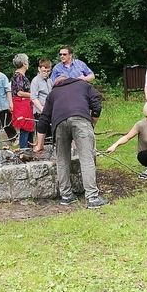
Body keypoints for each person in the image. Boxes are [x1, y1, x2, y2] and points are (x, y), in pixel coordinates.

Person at [33, 75, 107, 209]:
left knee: (62, 160)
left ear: (57, 84)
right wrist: (92, 123)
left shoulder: (53, 93)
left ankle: (66, 196)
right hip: (81, 120)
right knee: (86, 158)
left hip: (59, 124)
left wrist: (40, 145)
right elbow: (97, 104)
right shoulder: (84, 85)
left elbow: (43, 120)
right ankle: (92, 198)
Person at [11, 53, 34, 149]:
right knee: (25, 128)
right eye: (27, 61)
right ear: (24, 63)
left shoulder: (21, 75)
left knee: (28, 129)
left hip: (25, 105)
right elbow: (19, 93)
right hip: (22, 105)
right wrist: (33, 95)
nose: (28, 63)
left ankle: (29, 150)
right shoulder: (18, 76)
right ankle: (23, 151)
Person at [30, 59, 53, 141]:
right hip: (40, 112)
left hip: (50, 111)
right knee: (42, 136)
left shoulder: (50, 81)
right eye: (44, 71)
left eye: (48, 71)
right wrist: (42, 109)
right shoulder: (35, 81)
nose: (46, 73)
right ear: (39, 69)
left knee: (50, 135)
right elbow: (34, 98)